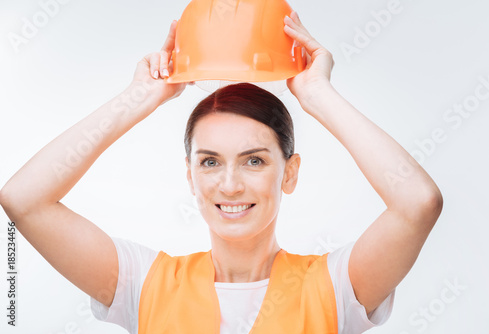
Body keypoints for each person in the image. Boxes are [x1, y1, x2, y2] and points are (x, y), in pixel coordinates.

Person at [0, 11, 443, 334]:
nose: (229, 185)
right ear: (190, 176)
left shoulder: (336, 284)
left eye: (254, 160)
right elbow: (24, 200)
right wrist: (138, 97)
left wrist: (317, 93)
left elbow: (418, 203)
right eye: (209, 161)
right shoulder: (142, 282)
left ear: (289, 174)